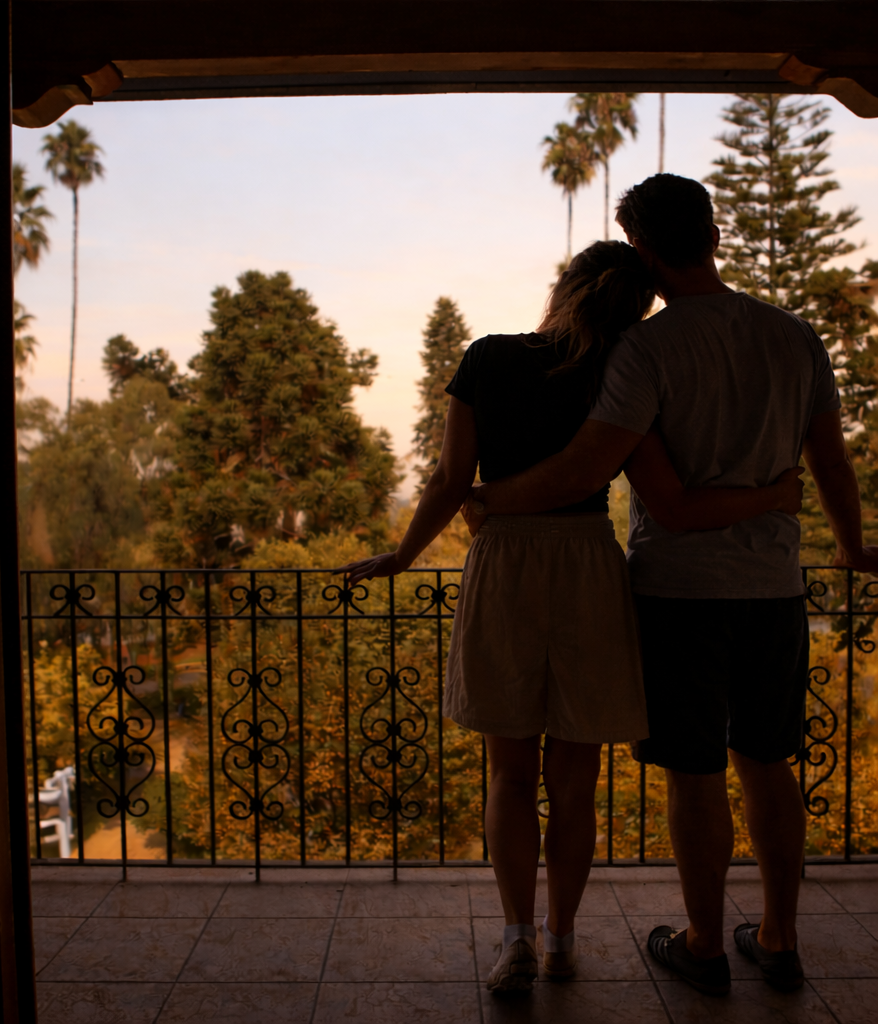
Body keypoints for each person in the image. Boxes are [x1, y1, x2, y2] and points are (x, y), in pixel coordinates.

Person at [339, 239, 804, 995]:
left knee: (509, 773)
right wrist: (773, 495)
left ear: (565, 288)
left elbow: (452, 478)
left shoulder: (488, 357)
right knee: (575, 782)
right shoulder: (620, 369)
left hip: (506, 561)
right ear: (634, 306)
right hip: (590, 564)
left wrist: (402, 555)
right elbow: (655, 485)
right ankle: (560, 941)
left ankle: (516, 938)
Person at [467, 172, 878, 997]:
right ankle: (780, 939)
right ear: (714, 236)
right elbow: (831, 461)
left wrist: (483, 501)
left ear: (644, 252)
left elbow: (592, 468)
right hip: (774, 587)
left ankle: (703, 945)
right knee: (769, 763)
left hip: (680, 594)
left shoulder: (645, 350)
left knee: (696, 774)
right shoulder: (795, 336)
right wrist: (850, 545)